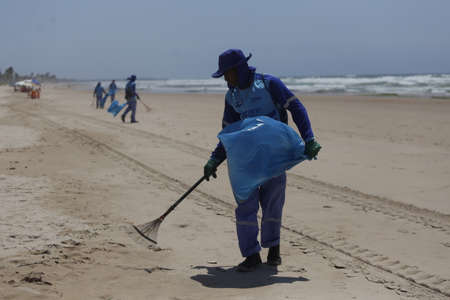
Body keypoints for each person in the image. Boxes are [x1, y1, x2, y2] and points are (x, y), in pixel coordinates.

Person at [204, 49, 322, 272]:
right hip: (245, 160)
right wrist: (214, 159)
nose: (226, 80)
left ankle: (274, 249)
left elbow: (296, 107)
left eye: (227, 74)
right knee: (245, 206)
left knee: (272, 203)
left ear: (239, 69)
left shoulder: (269, 84)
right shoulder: (232, 97)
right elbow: (229, 133)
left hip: (274, 157)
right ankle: (251, 255)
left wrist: (309, 138)